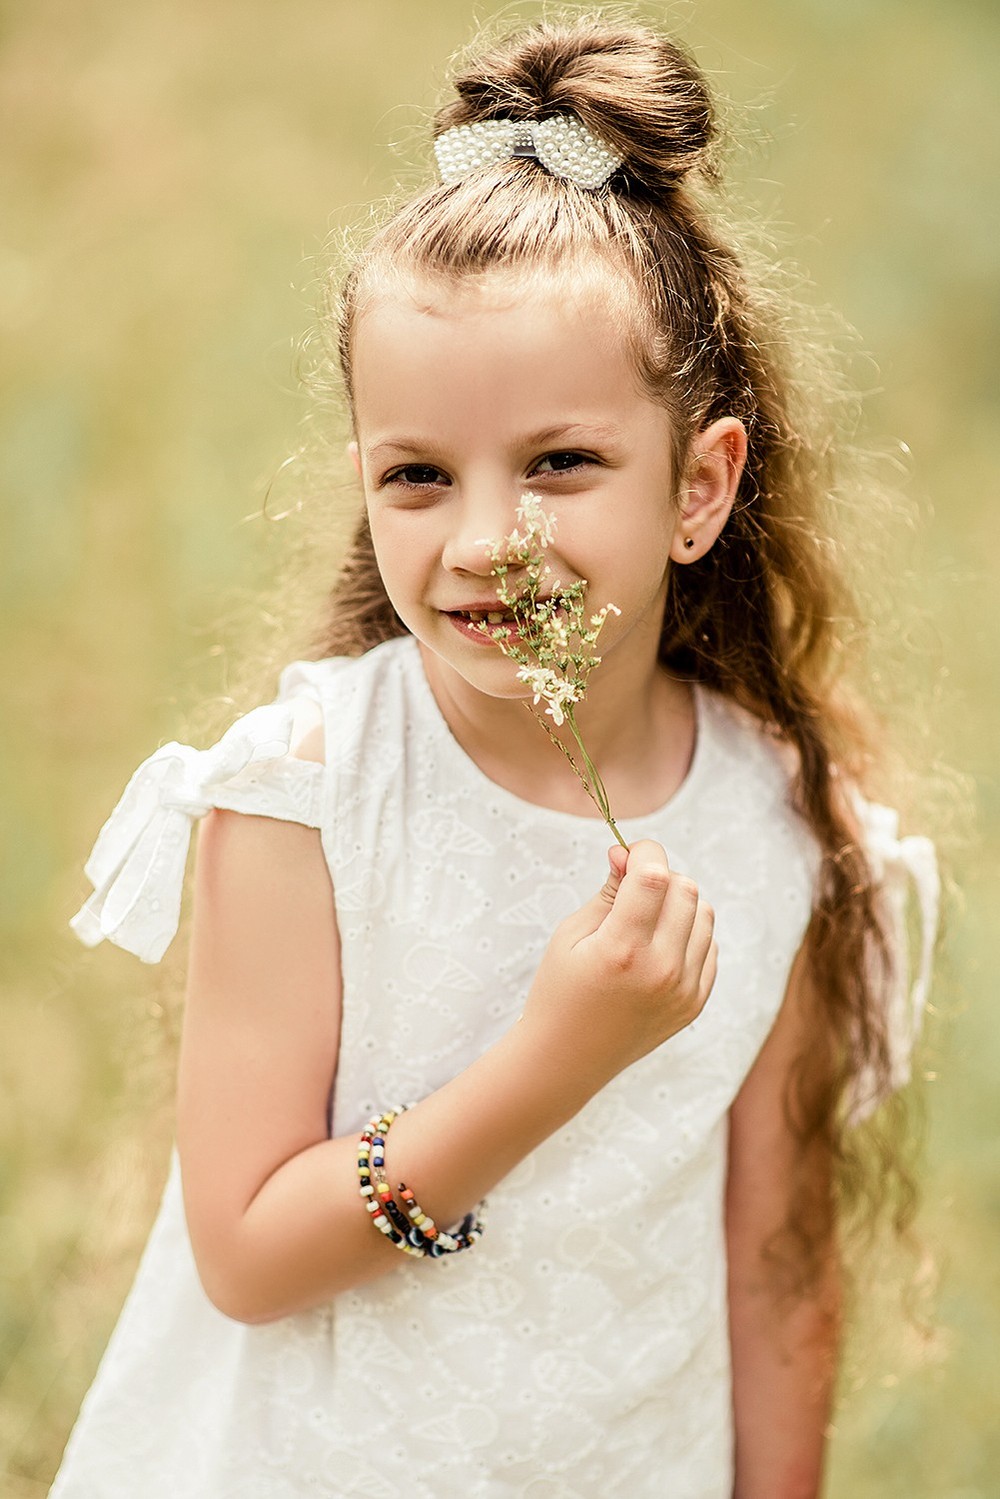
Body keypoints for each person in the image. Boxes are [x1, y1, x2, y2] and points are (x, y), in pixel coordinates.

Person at [52, 14, 940, 1498]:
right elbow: (251, 1254)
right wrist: (555, 1059)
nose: (481, 542)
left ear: (700, 485)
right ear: (363, 483)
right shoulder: (302, 798)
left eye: (560, 464)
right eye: (418, 475)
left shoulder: (788, 829)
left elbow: (776, 1270)